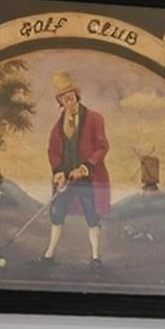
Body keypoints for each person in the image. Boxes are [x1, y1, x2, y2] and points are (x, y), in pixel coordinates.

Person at [40, 69, 111, 270]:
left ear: (76, 95)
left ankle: (96, 259)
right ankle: (49, 255)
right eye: (63, 97)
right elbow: (53, 151)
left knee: (92, 216)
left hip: (88, 180)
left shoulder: (95, 118)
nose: (68, 99)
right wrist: (59, 173)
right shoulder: (57, 126)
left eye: (70, 94)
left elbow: (102, 146)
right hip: (67, 182)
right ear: (60, 101)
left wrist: (85, 166)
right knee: (57, 214)